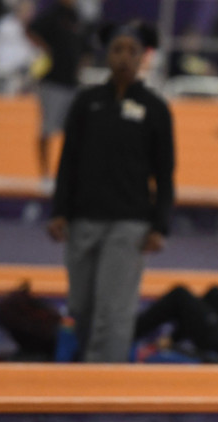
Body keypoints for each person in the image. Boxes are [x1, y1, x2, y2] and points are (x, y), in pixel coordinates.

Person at [46, 20, 174, 363]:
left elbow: (164, 174)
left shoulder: (155, 108)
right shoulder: (86, 102)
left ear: (143, 57)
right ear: (107, 54)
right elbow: (67, 161)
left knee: (113, 312)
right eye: (118, 49)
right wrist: (59, 211)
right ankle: (83, 373)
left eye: (132, 51)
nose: (124, 57)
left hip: (129, 224)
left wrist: (159, 225)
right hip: (83, 219)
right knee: (81, 308)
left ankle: (104, 388)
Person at [26, 0, 89, 181]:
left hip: (72, 82)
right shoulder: (52, 14)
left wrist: (81, 63)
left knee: (73, 129)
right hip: (52, 81)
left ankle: (67, 171)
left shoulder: (77, 17)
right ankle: (44, 173)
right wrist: (46, 49)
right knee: (47, 127)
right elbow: (31, 29)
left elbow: (84, 45)